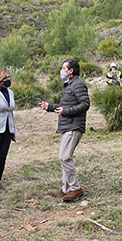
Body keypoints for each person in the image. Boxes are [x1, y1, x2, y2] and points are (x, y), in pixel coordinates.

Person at [39, 59, 90, 202]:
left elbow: (85, 104)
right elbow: (64, 107)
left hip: (73, 126)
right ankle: (66, 189)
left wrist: (66, 111)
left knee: (65, 157)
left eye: (63, 68)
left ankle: (75, 189)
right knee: (64, 157)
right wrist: (49, 107)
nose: (61, 70)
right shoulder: (69, 85)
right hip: (67, 126)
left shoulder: (78, 84)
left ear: (70, 71)